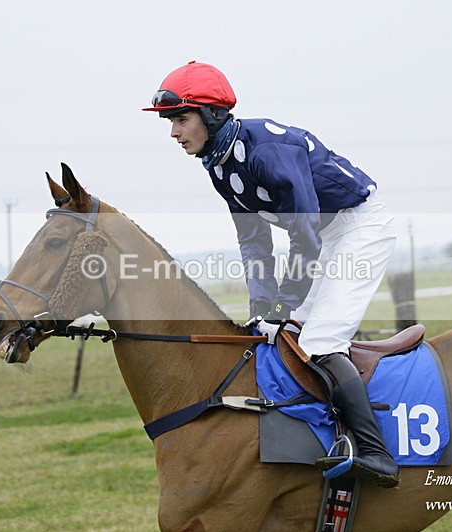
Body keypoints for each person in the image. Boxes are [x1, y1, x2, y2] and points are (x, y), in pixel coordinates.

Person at [143, 61, 399, 488]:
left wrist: (284, 302)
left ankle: (377, 454)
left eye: (181, 119)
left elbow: (305, 236)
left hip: (359, 229)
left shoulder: (266, 151)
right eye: (171, 122)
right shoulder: (220, 165)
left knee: (320, 340)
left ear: (212, 115)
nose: (174, 132)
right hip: (325, 235)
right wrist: (263, 308)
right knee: (284, 332)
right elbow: (254, 243)